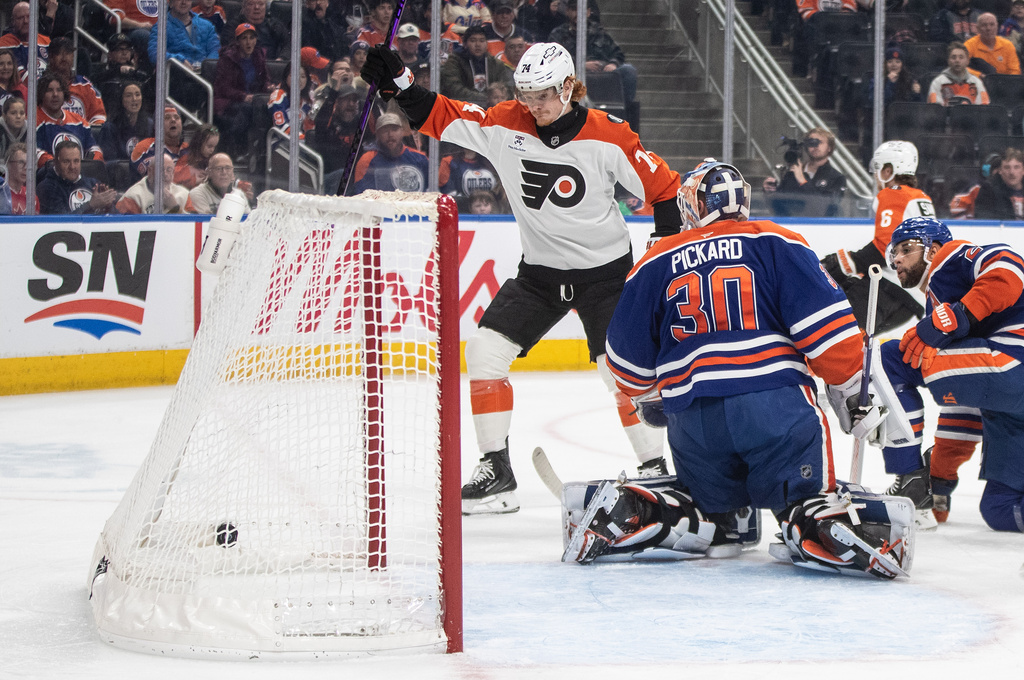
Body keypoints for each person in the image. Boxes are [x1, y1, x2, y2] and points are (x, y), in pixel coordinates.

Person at [362, 41, 685, 514]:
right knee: (486, 354)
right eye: (526, 95)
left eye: (542, 96)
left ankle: (654, 470)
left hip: (607, 276)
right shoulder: (503, 123)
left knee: (619, 375)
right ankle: (497, 472)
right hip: (539, 274)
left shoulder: (608, 135)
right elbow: (441, 115)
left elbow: (667, 191)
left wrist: (660, 255)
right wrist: (400, 83)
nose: (533, 106)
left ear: (569, 88)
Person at [562, 159, 913, 579]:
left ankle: (638, 511)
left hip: (694, 422)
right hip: (775, 407)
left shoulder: (655, 260)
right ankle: (826, 527)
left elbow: (624, 361)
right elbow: (830, 334)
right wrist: (851, 388)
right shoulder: (778, 241)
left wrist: (650, 397)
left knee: (710, 510)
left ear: (691, 205)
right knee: (803, 499)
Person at [882, 216, 1024, 533]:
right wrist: (941, 480)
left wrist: (952, 317)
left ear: (933, 249)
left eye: (906, 248)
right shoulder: (938, 304)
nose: (897, 259)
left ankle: (909, 480)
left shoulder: (953, 257)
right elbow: (964, 406)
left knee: (889, 357)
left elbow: (1011, 268)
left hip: (1016, 362)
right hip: (1012, 407)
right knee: (1000, 508)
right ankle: (925, 486)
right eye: (893, 252)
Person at [820, 140, 933, 333]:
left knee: (840, 333)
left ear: (888, 170)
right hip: (913, 300)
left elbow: (886, 245)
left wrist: (849, 262)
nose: (875, 175)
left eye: (879, 168)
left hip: (890, 288)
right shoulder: (922, 198)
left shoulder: (893, 193)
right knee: (861, 343)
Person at [548, 0, 638, 107]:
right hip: (573, 76)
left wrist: (612, 64)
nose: (577, 13)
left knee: (628, 70)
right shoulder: (558, 34)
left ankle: (625, 111)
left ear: (588, 12)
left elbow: (617, 53)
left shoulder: (599, 31)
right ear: (567, 11)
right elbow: (554, 60)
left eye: (581, 10)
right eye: (573, 10)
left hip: (602, 74)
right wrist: (581, 65)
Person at [761, 127, 847, 217]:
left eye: (820, 142)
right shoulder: (792, 173)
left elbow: (826, 209)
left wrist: (802, 180)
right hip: (792, 225)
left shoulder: (837, 178)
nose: (815, 146)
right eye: (811, 143)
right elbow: (778, 207)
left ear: (829, 148)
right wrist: (769, 193)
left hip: (820, 227)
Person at [214, 23, 270, 158]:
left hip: (253, 100)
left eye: (252, 38)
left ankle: (261, 152)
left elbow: (265, 80)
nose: (249, 42)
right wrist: (243, 96)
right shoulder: (227, 59)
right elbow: (223, 88)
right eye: (244, 38)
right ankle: (237, 149)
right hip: (229, 101)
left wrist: (269, 87)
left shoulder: (259, 56)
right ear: (237, 41)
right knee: (247, 110)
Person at [35, 71, 103, 168]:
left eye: (59, 90)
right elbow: (36, 152)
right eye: (49, 90)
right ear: (41, 94)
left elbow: (93, 148)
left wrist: (92, 163)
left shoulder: (79, 121)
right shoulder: (34, 120)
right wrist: (61, 167)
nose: (55, 94)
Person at [351, 112, 429, 193]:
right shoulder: (366, 160)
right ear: (377, 134)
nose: (390, 134)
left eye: (394, 130)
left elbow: (432, 192)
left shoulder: (420, 158)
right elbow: (361, 196)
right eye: (385, 131)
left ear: (402, 132)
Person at [440, 26, 514, 107]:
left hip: (491, 109)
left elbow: (506, 88)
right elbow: (453, 88)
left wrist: (494, 99)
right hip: (462, 108)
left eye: (482, 40)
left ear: (487, 43)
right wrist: (486, 98)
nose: (478, 45)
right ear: (465, 43)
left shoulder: (496, 64)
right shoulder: (454, 61)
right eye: (473, 40)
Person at [38, 140, 118, 214]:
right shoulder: (46, 188)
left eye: (76, 161)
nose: (72, 167)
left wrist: (108, 206)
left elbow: (116, 219)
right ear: (55, 162)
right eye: (66, 162)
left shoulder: (94, 183)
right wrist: (90, 205)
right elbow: (62, 224)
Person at [313, 82, 362, 191]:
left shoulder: (360, 125)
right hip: (327, 179)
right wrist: (333, 93)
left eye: (354, 100)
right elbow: (321, 120)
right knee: (342, 175)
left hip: (354, 179)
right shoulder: (328, 124)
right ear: (337, 102)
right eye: (346, 99)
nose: (350, 104)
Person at [48, 37, 107, 127]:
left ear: (73, 56)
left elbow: (98, 115)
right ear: (51, 57)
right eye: (58, 53)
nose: (64, 56)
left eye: (68, 52)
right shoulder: (43, 85)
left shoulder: (84, 84)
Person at [116, 152, 197, 214]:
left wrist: (175, 208)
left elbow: (195, 225)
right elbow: (127, 228)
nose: (165, 174)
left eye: (169, 170)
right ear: (150, 171)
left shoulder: (184, 194)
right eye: (161, 169)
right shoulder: (133, 196)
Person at [97, 82, 154, 164]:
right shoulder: (110, 127)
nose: (134, 99)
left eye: (137, 94)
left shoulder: (150, 124)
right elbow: (108, 162)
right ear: (122, 100)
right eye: (128, 95)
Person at [93, 32, 152, 107]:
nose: (124, 53)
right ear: (110, 54)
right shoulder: (100, 70)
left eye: (127, 49)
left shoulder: (137, 72)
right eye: (119, 49)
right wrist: (117, 71)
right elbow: (95, 79)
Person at [130, 106, 188, 178]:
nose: (173, 120)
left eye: (177, 117)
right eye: (167, 118)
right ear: (156, 125)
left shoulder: (190, 149)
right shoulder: (144, 147)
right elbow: (156, 178)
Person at [188, 151, 254, 213]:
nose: (224, 172)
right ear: (209, 173)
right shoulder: (198, 194)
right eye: (218, 168)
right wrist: (232, 216)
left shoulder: (239, 195)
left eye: (228, 168)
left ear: (233, 173)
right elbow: (207, 222)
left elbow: (248, 221)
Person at [928, 41, 990, 105]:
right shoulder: (938, 82)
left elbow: (984, 107)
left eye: (961, 57)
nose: (957, 60)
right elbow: (935, 108)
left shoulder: (976, 82)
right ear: (948, 61)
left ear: (967, 61)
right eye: (953, 57)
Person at [224, 0, 290, 60]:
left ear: (266, 7)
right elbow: (230, 48)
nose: (257, 7)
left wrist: (281, 59)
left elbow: (289, 45)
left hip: (272, 66)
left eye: (261, 4)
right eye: (251, 4)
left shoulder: (275, 25)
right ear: (244, 7)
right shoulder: (233, 27)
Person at [974, 146, 1024, 219]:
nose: (1012, 172)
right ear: (1000, 170)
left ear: (1023, 170)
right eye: (1007, 167)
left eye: (1016, 167)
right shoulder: (988, 192)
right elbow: (984, 221)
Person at [0, 2, 51, 71]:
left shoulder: (46, 42)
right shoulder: (4, 43)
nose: (25, 21)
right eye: (20, 18)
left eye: (29, 16)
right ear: (13, 21)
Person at [174, 123, 220, 189]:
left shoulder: (213, 159)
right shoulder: (186, 156)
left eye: (214, 147)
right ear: (199, 142)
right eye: (209, 146)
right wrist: (192, 176)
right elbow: (175, 178)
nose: (212, 150)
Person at [5, 143, 38, 214]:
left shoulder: (32, 196)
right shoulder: (2, 193)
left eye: (29, 163)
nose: (26, 168)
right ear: (8, 164)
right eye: (21, 162)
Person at [0, 96, 27, 167]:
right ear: (4, 115)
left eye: (22, 113)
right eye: (13, 113)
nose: (18, 116)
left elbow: (32, 157)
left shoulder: (29, 131)